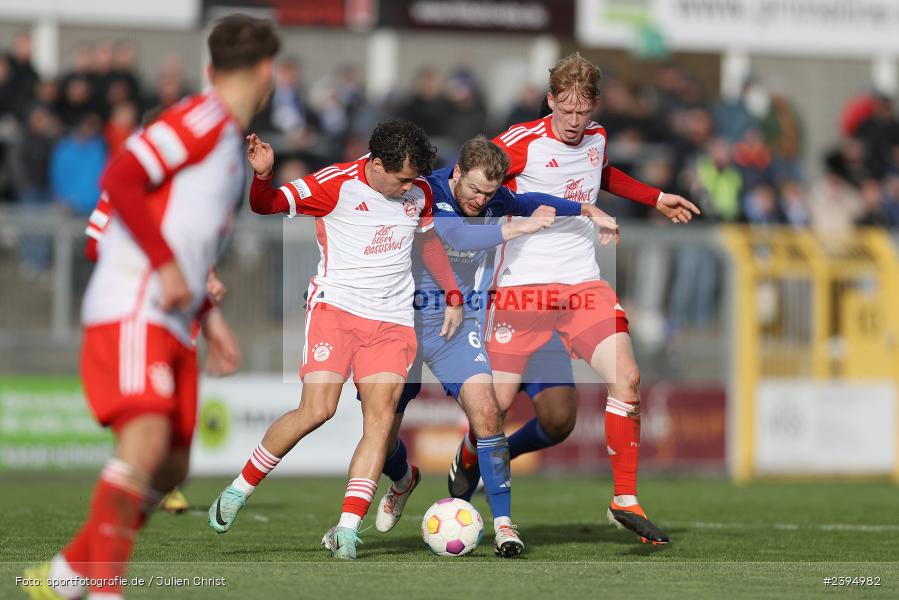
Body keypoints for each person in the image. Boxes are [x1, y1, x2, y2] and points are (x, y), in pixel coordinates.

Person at [23, 15, 279, 599]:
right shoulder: (202, 119)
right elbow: (121, 175)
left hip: (175, 315)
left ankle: (70, 574)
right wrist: (165, 267)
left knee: (171, 467)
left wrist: (210, 321)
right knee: (142, 444)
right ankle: (105, 591)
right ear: (267, 72)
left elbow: (187, 240)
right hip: (134, 300)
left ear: (214, 67)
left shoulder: (229, 145)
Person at [454, 53, 699, 546]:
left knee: (625, 378)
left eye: (582, 113)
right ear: (550, 100)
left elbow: (600, 175)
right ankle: (469, 456)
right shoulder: (519, 143)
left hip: (582, 285)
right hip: (521, 291)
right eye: (565, 111)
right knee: (495, 408)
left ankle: (624, 499)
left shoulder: (598, 139)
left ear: (595, 108)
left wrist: (654, 198)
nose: (573, 123)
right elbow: (470, 177)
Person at [208, 119, 463, 560]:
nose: (409, 188)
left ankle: (347, 528)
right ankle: (239, 488)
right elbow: (265, 205)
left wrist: (454, 296)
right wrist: (264, 175)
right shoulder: (335, 184)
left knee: (380, 421)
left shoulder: (417, 191)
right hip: (336, 311)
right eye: (402, 179)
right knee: (317, 409)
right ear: (378, 165)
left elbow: (430, 243)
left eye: (413, 180)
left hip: (392, 321)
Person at [368, 136, 618, 557]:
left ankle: (503, 524)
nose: (481, 201)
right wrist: (520, 226)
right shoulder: (429, 192)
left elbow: (532, 196)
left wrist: (587, 208)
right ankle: (402, 480)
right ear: (458, 173)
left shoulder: (494, 199)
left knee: (487, 411)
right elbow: (455, 236)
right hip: (402, 320)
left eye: (490, 194)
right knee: (382, 436)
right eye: (474, 190)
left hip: (457, 322)